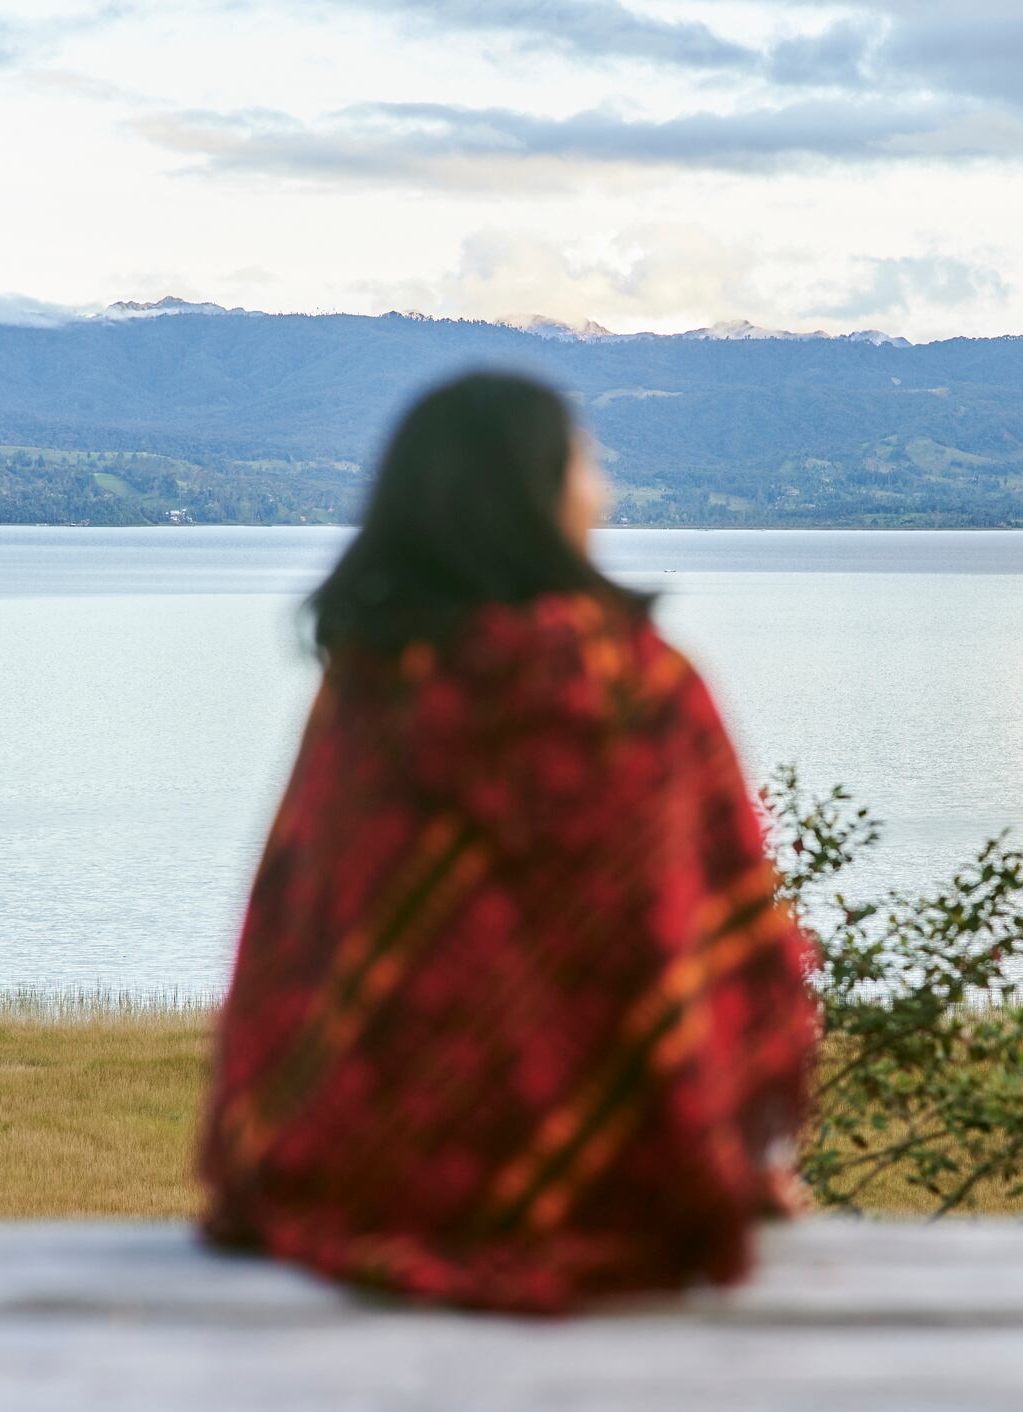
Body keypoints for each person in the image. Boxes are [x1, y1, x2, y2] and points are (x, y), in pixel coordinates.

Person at [198, 372, 817, 1313]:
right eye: (589, 464)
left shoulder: (373, 692)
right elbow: (735, 944)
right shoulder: (644, 691)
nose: (602, 492)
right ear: (540, 490)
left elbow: (292, 942)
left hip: (371, 1182)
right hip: (631, 1191)